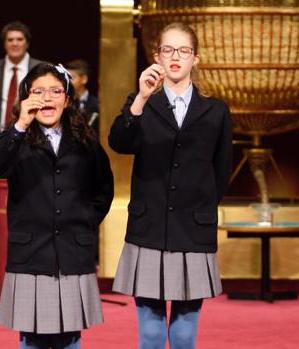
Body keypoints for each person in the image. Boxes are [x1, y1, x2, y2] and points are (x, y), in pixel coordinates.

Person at [108, 22, 233, 349]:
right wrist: (140, 98)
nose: (175, 57)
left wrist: (200, 205)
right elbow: (119, 142)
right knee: (149, 334)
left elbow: (221, 172)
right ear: (156, 57)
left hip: (193, 230)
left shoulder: (216, 110)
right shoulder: (143, 103)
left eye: (183, 50)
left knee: (183, 334)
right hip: (148, 229)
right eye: (168, 50)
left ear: (196, 58)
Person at [0, 63, 114, 349]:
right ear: (26, 98)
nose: (47, 98)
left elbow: (104, 189)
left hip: (73, 253)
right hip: (31, 253)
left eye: (55, 91)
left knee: (70, 336)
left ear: (67, 100)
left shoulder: (85, 141)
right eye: (38, 91)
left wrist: (85, 220)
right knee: (32, 337)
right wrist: (20, 124)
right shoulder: (17, 139)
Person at [0, 21, 45, 184]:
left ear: (27, 43)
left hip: (33, 138)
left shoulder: (42, 68)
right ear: (4, 44)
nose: (15, 43)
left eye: (19, 39)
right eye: (10, 39)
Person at [65, 59, 99, 134]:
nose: (68, 81)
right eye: (66, 78)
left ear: (84, 79)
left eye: (72, 78)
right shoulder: (63, 102)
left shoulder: (97, 105)